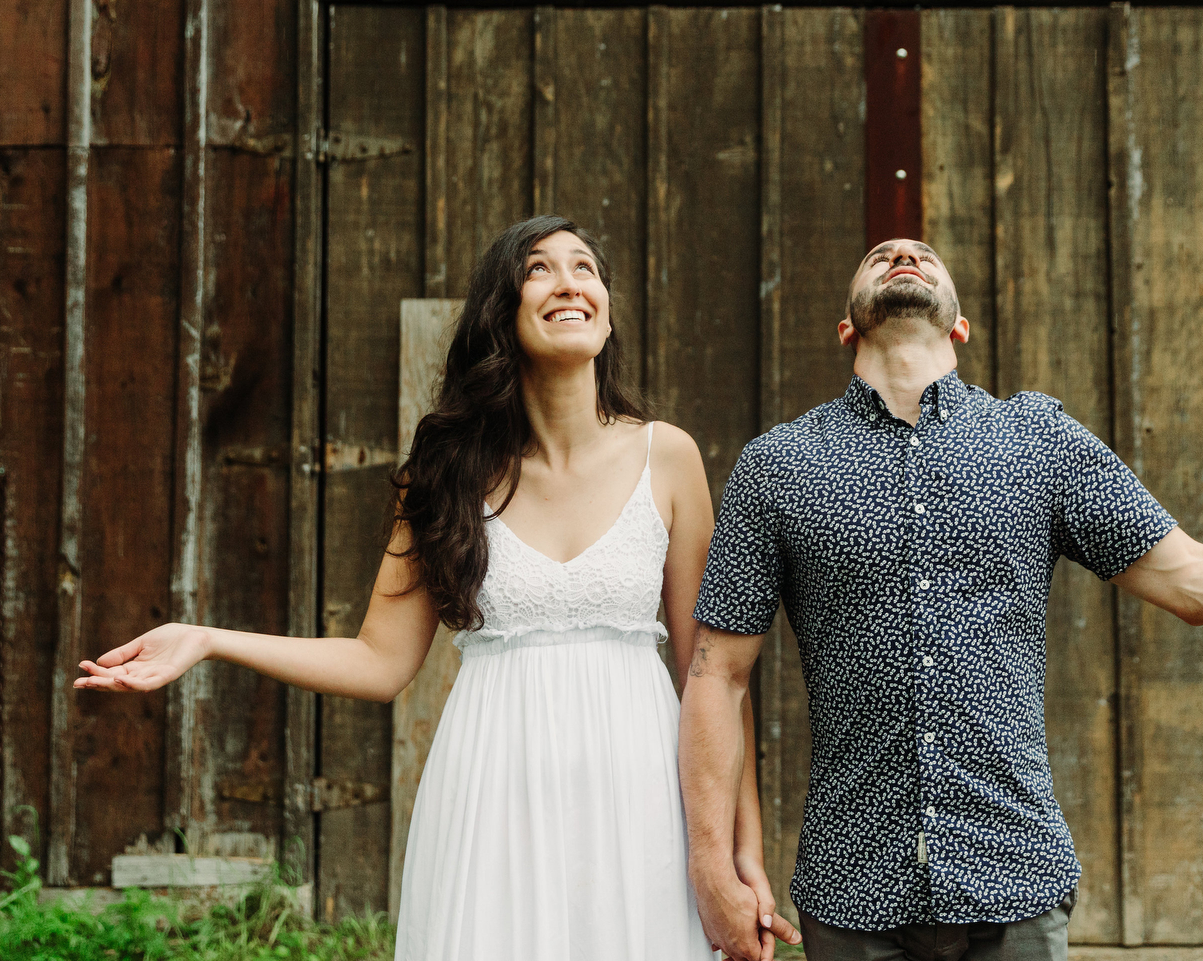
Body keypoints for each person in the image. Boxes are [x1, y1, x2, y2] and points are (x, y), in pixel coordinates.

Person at [678, 237, 1203, 961]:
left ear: (960, 324)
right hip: (849, 887)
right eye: (881, 254)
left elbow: (1195, 580)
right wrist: (714, 870)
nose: (903, 252)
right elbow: (718, 675)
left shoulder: (1036, 439)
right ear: (846, 324)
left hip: (1014, 877)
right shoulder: (778, 465)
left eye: (922, 253)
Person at [75, 215, 799, 961]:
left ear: (607, 312)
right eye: (539, 268)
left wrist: (741, 854)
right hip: (493, 790)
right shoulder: (446, 472)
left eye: (586, 268)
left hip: (640, 795)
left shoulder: (667, 457)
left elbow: (713, 677)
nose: (569, 283)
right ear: (501, 312)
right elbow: (379, 662)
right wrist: (206, 639)